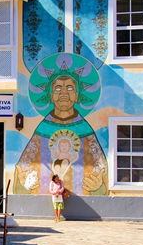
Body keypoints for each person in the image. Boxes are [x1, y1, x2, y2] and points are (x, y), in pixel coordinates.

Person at [14, 67, 108, 197]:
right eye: (58, 89)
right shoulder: (43, 129)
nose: (64, 93)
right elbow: (23, 169)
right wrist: (23, 182)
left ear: (76, 96)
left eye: (69, 88)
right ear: (51, 96)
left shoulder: (85, 130)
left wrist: (99, 185)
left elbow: (101, 169)